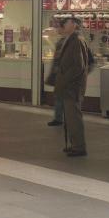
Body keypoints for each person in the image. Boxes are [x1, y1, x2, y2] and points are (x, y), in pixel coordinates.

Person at [56, 17, 90, 157]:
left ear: (75, 25)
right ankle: (74, 144)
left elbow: (78, 66)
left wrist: (65, 79)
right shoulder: (71, 39)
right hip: (69, 86)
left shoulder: (76, 41)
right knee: (70, 118)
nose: (64, 24)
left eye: (67, 22)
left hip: (72, 87)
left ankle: (79, 147)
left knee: (73, 117)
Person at [46, 19, 67, 127]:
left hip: (63, 74)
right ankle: (61, 118)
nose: (57, 29)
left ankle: (59, 118)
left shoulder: (66, 41)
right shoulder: (63, 40)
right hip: (61, 73)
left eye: (59, 27)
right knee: (60, 96)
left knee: (60, 96)